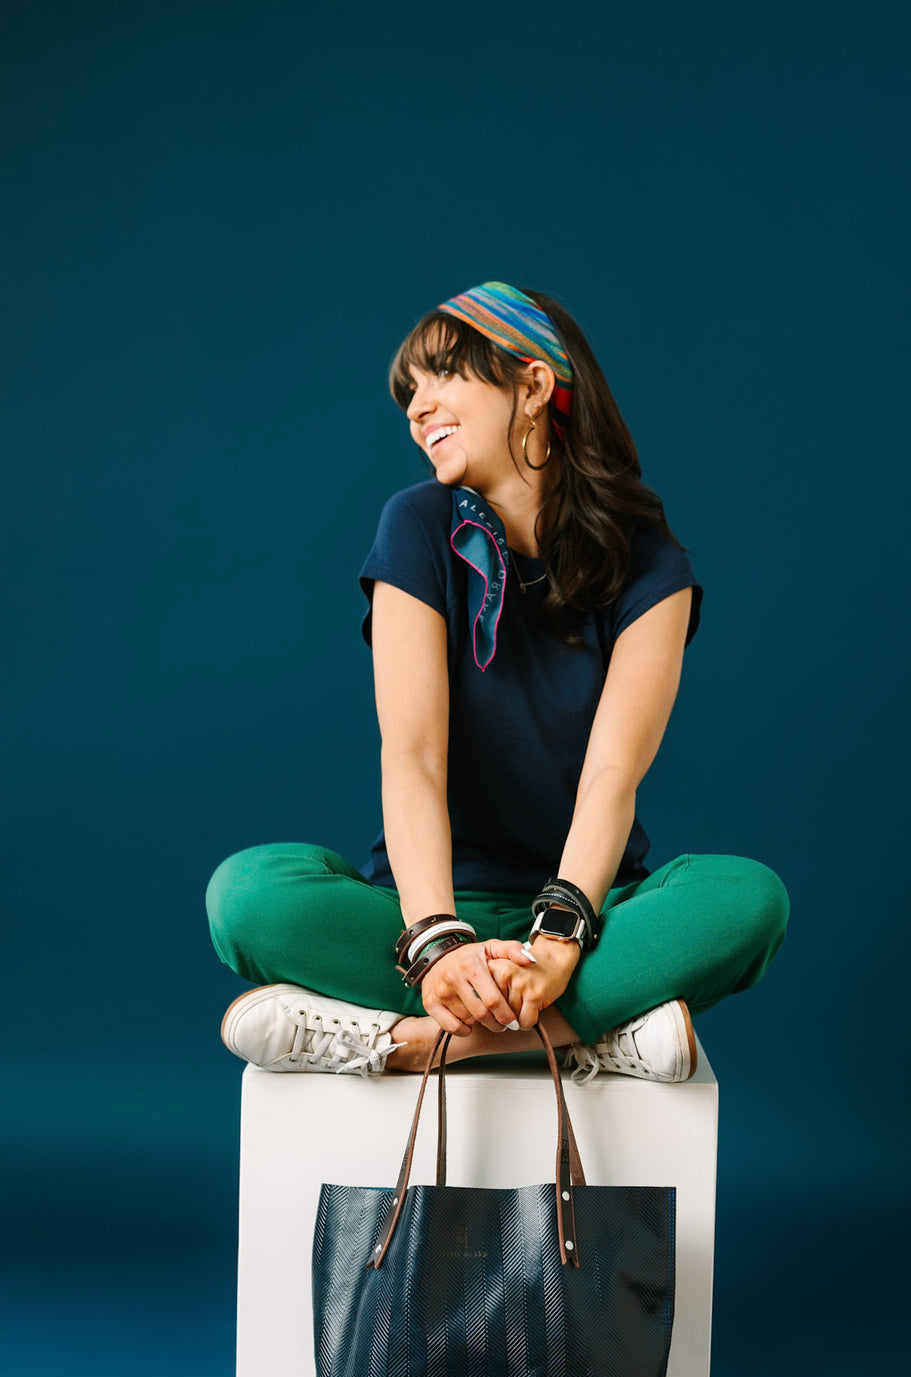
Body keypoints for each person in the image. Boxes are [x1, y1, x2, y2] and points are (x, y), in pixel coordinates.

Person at [206, 280, 790, 1084]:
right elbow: (413, 758)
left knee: (749, 900)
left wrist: (558, 940)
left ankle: (420, 1045)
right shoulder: (415, 524)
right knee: (247, 896)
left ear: (533, 385)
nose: (417, 407)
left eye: (443, 375)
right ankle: (589, 1035)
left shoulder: (652, 559)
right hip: (432, 905)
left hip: (591, 918)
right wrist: (437, 943)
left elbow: (611, 776)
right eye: (410, 392)